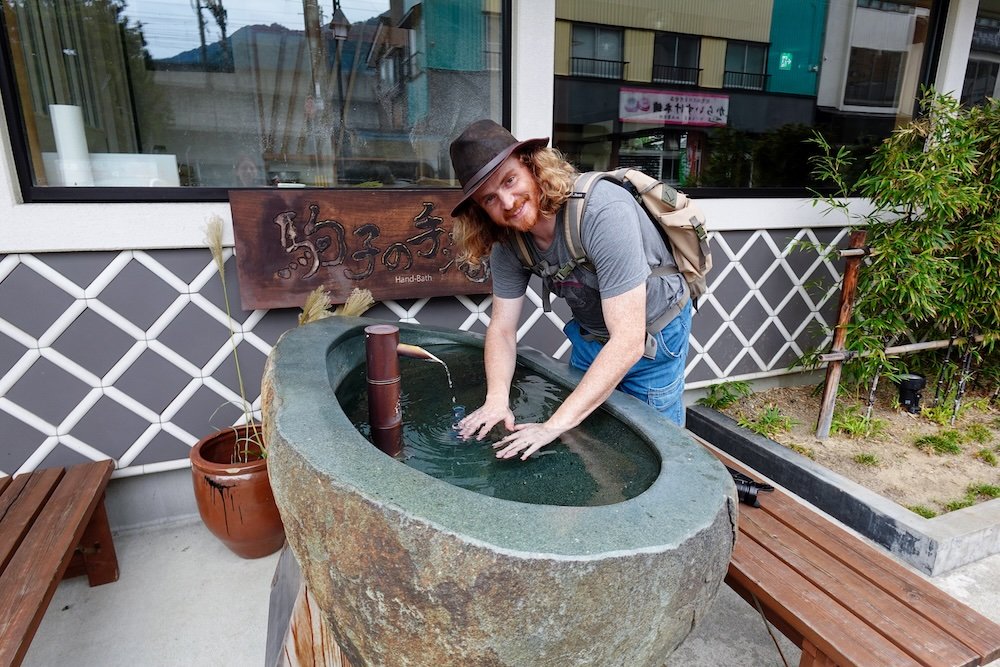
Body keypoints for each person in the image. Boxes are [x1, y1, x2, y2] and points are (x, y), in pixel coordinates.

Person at [448, 119, 693, 461]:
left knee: (657, 451)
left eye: (510, 180)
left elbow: (628, 341)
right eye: (490, 198)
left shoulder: (602, 211)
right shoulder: (507, 242)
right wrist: (496, 400)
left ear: (532, 166)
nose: (507, 202)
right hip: (591, 336)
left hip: (654, 334)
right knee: (585, 442)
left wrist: (552, 425)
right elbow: (502, 330)